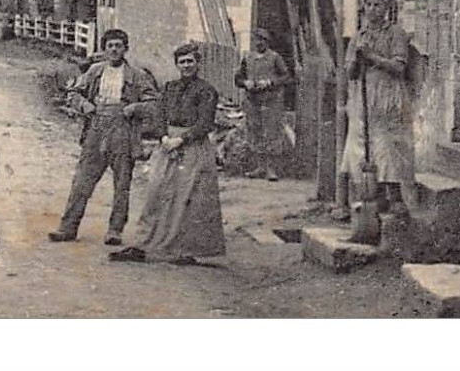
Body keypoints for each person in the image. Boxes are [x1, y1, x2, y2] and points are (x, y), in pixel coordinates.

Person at [110, 42, 225, 266]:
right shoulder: (170, 87)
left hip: (193, 145)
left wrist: (181, 140)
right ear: (176, 65)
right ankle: (145, 244)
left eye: (190, 61)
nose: (186, 65)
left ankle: (187, 250)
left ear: (198, 63)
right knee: (156, 191)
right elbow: (159, 116)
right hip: (167, 143)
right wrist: (163, 137)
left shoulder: (207, 90)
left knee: (189, 195)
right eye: (182, 62)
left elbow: (205, 122)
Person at [47, 29, 159, 246]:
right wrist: (84, 104)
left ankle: (115, 230)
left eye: (118, 45)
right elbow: (73, 93)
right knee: (82, 181)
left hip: (123, 132)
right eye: (110, 46)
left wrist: (135, 107)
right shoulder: (94, 71)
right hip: (96, 129)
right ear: (105, 49)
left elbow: (154, 103)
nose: (114, 49)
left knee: (122, 184)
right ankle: (68, 227)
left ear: (125, 48)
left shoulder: (137, 75)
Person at [339, 0, 412, 215]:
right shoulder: (358, 36)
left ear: (387, 7)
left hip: (388, 96)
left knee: (386, 146)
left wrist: (373, 57)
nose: (372, 10)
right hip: (363, 98)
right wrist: (356, 61)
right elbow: (349, 73)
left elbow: (399, 67)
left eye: (377, 5)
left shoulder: (396, 34)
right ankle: (372, 196)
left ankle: (396, 195)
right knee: (361, 146)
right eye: (369, 5)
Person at [234, 30, 291, 181]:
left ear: (267, 42)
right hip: (253, 100)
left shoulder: (274, 57)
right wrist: (246, 82)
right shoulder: (248, 58)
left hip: (271, 100)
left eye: (263, 40)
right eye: (256, 40)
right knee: (255, 131)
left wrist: (270, 82)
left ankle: (271, 169)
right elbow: (238, 78)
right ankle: (260, 167)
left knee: (271, 132)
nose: (259, 43)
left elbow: (286, 76)